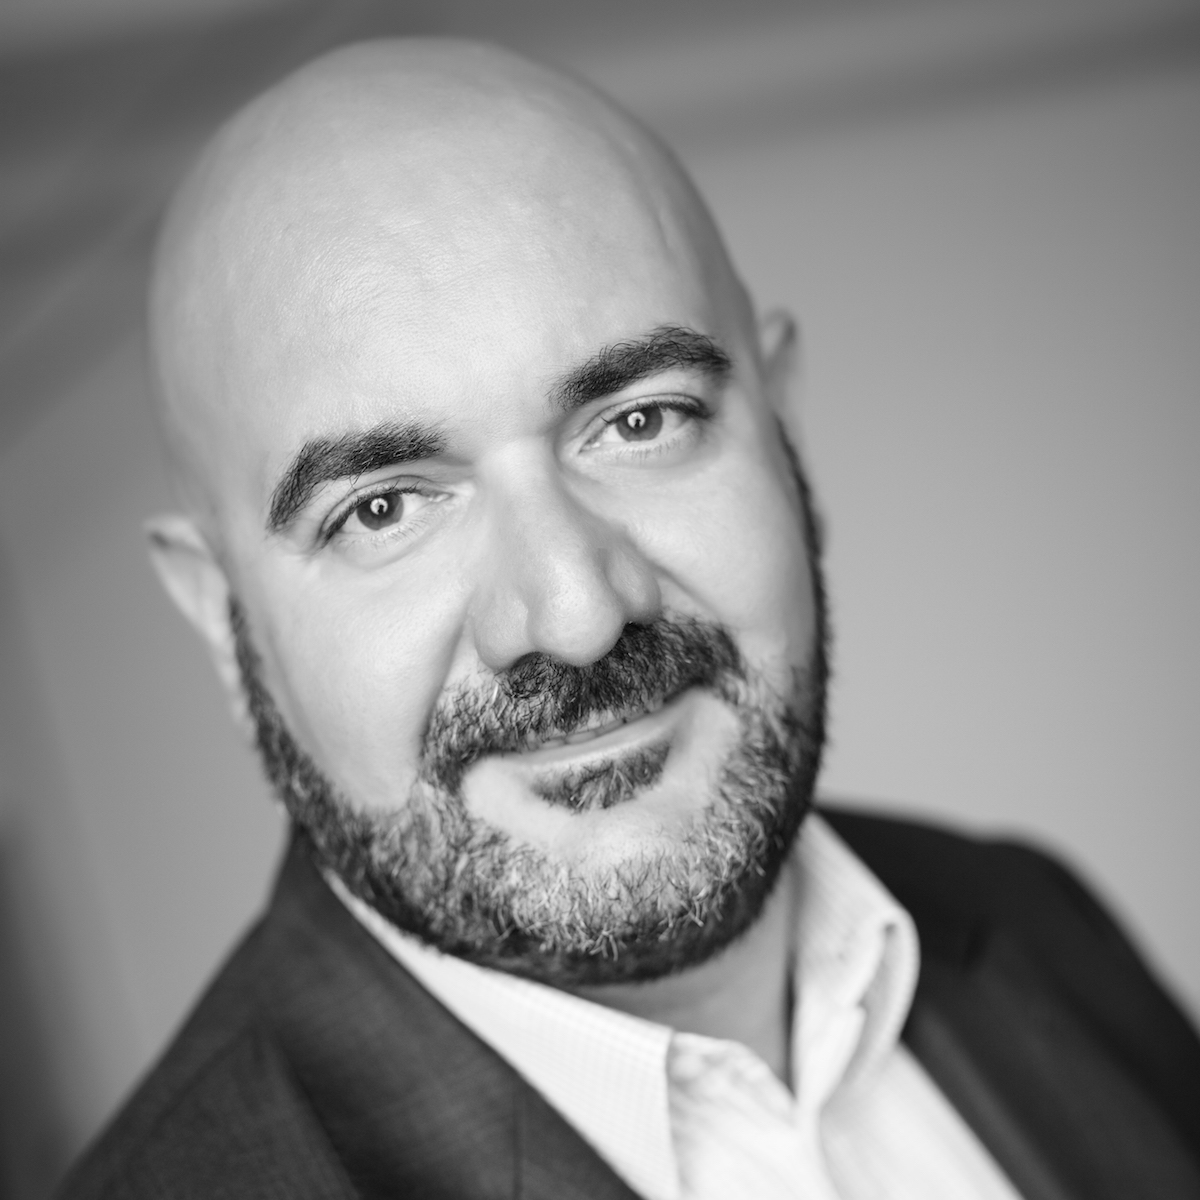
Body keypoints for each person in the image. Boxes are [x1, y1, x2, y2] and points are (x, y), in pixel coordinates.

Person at [61, 37, 1199, 1200]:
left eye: (640, 422)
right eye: (384, 507)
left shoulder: (1032, 924)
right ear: (221, 613)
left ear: (784, 425)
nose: (577, 615)